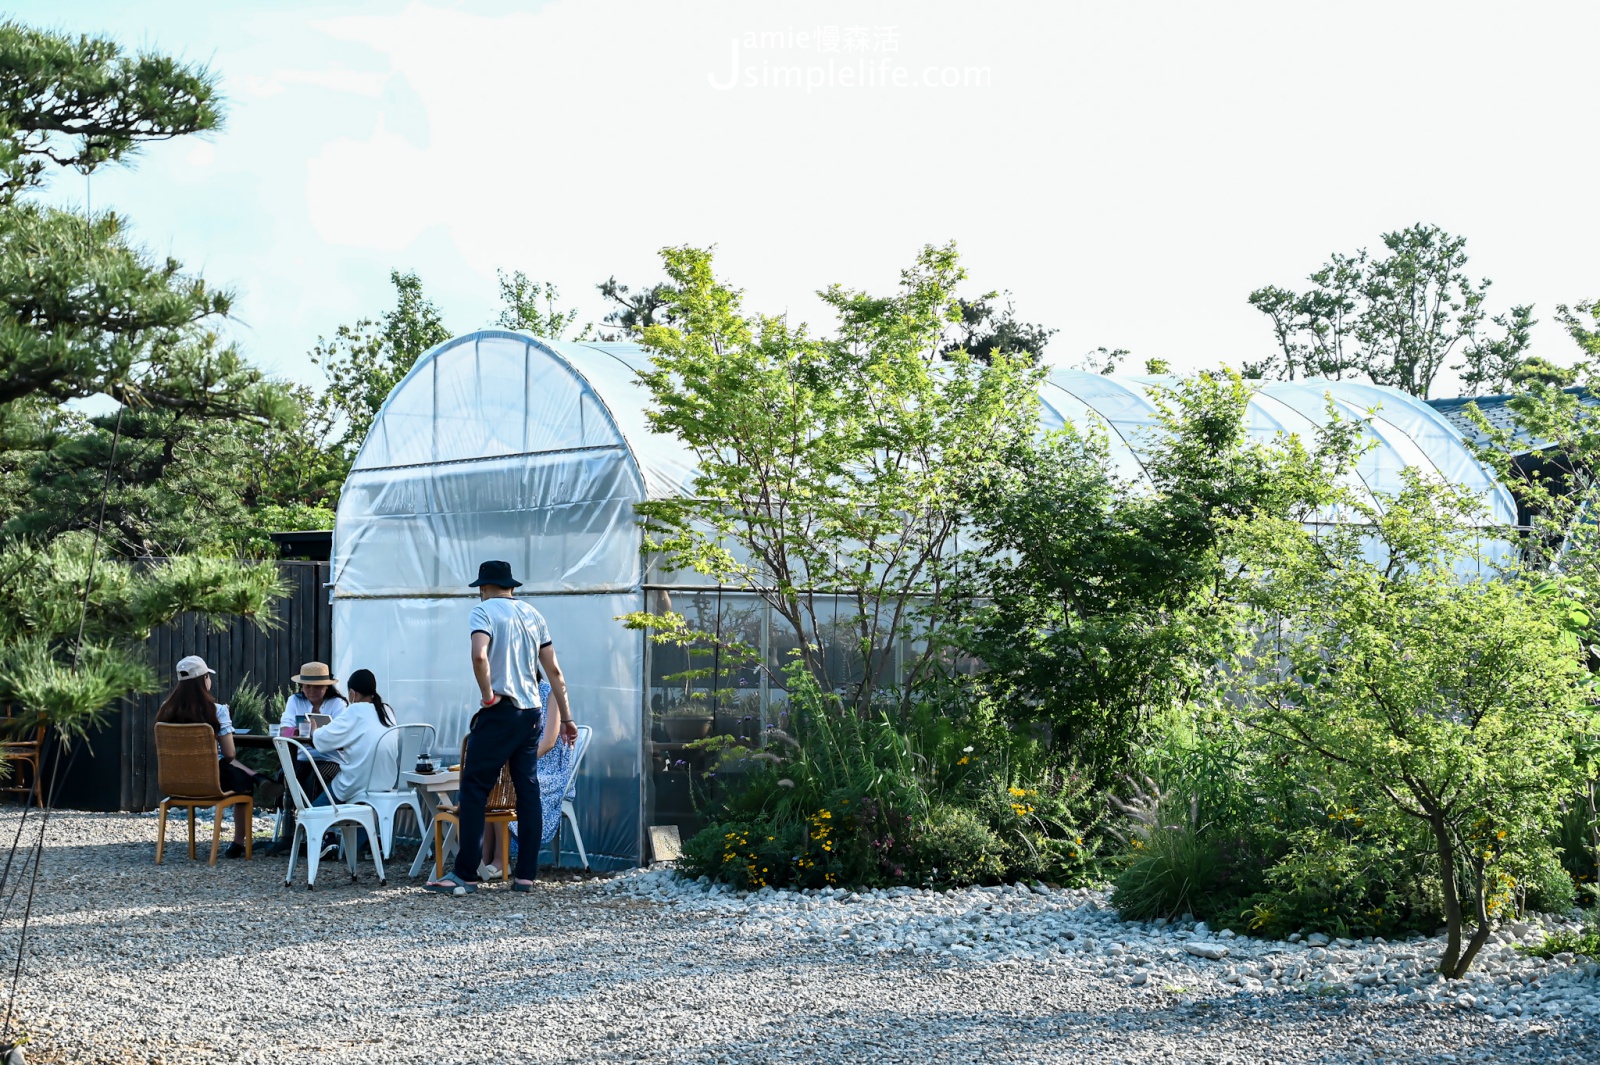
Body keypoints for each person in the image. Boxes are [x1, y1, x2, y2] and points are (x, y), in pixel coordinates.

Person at [426, 560, 575, 896]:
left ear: (482, 587)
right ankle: (525, 876)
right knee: (528, 790)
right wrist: (566, 718)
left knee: (475, 788)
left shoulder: (483, 613)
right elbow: (554, 672)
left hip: (501, 710)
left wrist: (487, 696)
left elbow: (480, 656)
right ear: (512, 586)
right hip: (531, 713)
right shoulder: (534, 615)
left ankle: (465, 874)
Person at [154, 655, 274, 859]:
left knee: (237, 771)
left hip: (175, 782)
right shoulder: (217, 711)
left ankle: (255, 776)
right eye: (208, 676)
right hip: (211, 780)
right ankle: (237, 843)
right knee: (243, 782)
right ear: (203, 680)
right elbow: (229, 754)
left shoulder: (166, 709)